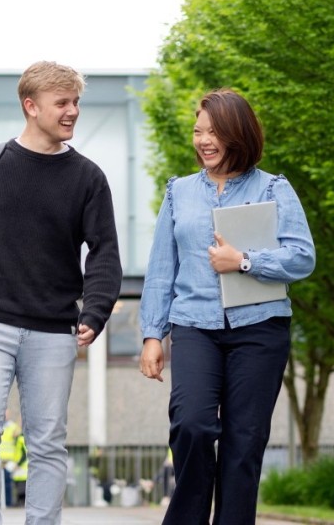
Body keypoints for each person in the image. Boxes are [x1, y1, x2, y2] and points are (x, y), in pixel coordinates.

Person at [0, 60, 123, 525]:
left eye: (76, 102)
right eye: (62, 103)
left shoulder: (88, 178)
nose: (72, 111)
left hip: (53, 329)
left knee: (48, 440)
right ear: (31, 107)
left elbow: (105, 252)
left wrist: (96, 309)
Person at [139, 88, 315, 525]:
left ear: (238, 134)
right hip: (195, 326)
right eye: (198, 131)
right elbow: (162, 268)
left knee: (243, 443)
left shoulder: (274, 188)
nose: (204, 141)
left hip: (260, 329)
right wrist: (151, 335)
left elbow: (302, 256)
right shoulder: (179, 192)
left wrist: (245, 260)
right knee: (192, 425)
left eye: (214, 132)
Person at [0, 411, 22, 507]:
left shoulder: (12, 427)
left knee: (8, 483)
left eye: (6, 413)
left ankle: (8, 503)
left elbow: (19, 436)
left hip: (8, 460)